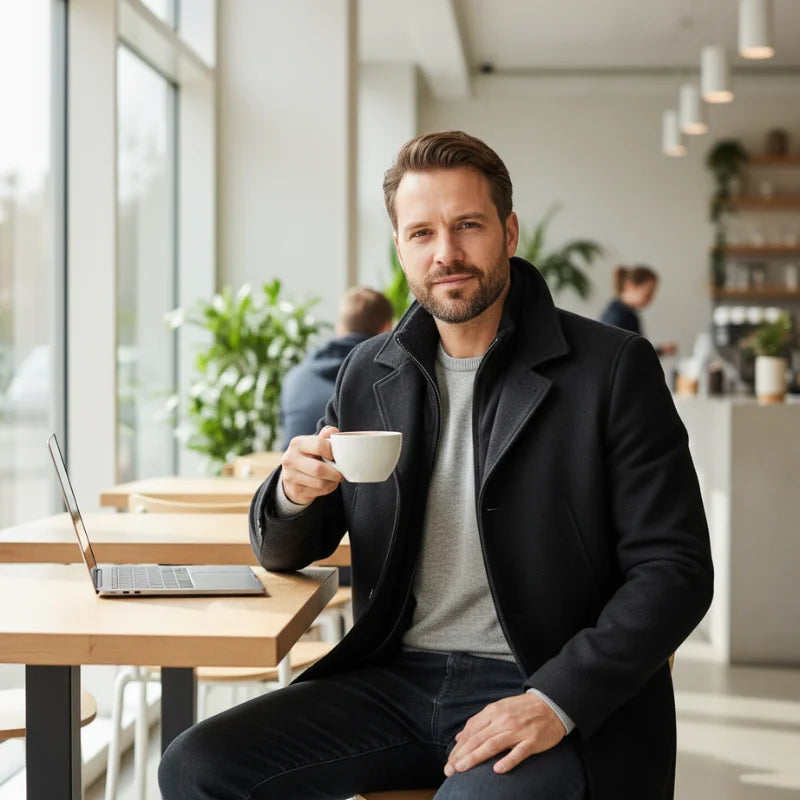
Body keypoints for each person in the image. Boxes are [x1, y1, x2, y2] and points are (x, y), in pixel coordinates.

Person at [159, 131, 713, 799]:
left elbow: (676, 569)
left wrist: (555, 701)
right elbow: (285, 550)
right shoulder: (369, 372)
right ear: (400, 248)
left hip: (541, 681)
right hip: (394, 683)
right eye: (421, 233)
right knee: (197, 767)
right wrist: (292, 494)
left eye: (467, 225)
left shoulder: (612, 368)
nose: (445, 252)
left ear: (509, 232)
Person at [280, 286, 393, 448]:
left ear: (340, 328)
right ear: (387, 328)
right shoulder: (389, 377)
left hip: (295, 463)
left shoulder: (295, 378)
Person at [600, 265, 678, 356]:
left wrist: (661, 351)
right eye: (649, 292)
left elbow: (636, 352)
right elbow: (633, 356)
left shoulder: (617, 311)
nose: (652, 298)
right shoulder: (621, 317)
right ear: (630, 285)